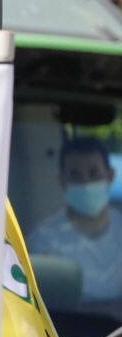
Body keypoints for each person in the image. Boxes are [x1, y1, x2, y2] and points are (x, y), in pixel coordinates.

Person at [30, 135, 122, 315]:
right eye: (76, 175)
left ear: (109, 175)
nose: (86, 183)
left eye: (94, 173)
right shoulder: (42, 241)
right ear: (62, 181)